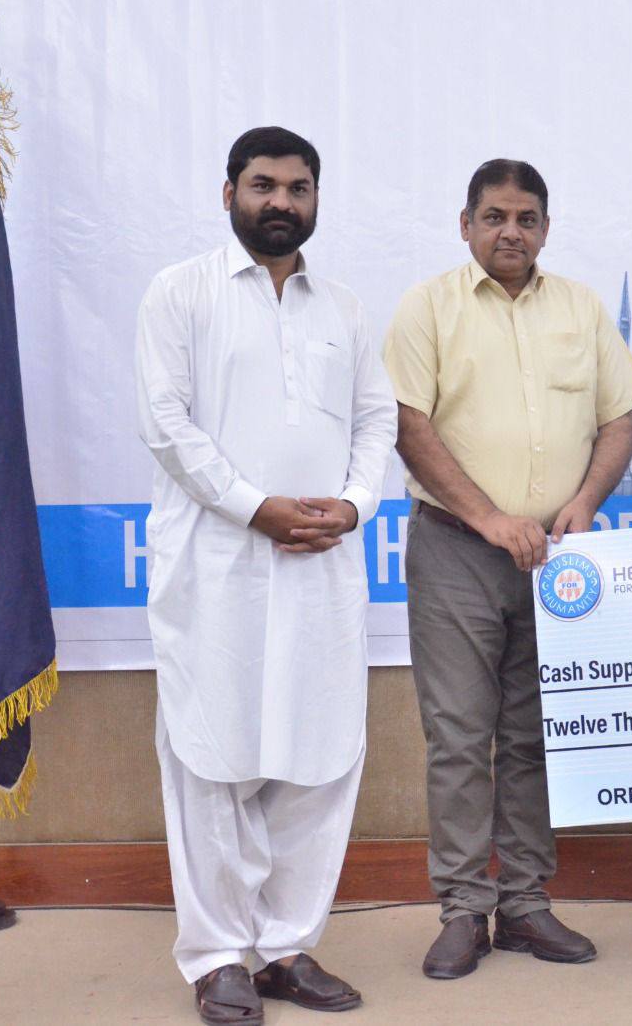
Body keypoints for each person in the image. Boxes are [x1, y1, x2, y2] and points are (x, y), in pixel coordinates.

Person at [136, 126, 396, 1024]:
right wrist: (256, 507)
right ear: (229, 194)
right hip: (216, 568)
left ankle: (286, 945)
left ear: (316, 198)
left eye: (297, 187)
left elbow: (376, 420)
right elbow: (166, 423)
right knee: (211, 759)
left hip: (322, 563)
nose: (281, 201)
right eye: (263, 185)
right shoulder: (180, 293)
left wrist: (353, 505)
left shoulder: (344, 309)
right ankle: (218, 957)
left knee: (319, 757)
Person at [383, 159, 632, 979]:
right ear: (465, 224)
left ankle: (527, 903)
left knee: (534, 736)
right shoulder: (428, 306)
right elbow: (409, 425)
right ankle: (465, 909)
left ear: (545, 228)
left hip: (556, 558)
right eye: (494, 216)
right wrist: (488, 517)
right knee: (460, 736)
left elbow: (618, 420)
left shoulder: (580, 307)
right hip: (456, 548)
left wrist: (587, 501)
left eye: (526, 217)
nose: (511, 231)